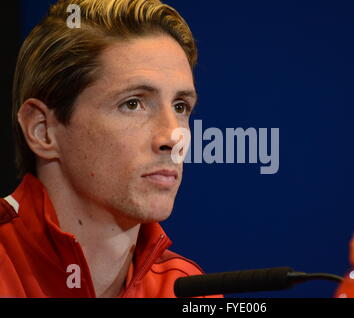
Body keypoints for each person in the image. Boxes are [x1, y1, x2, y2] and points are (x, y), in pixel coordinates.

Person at [0, 0, 218, 298]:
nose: (173, 136)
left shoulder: (187, 290)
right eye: (133, 103)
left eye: (180, 106)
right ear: (43, 130)